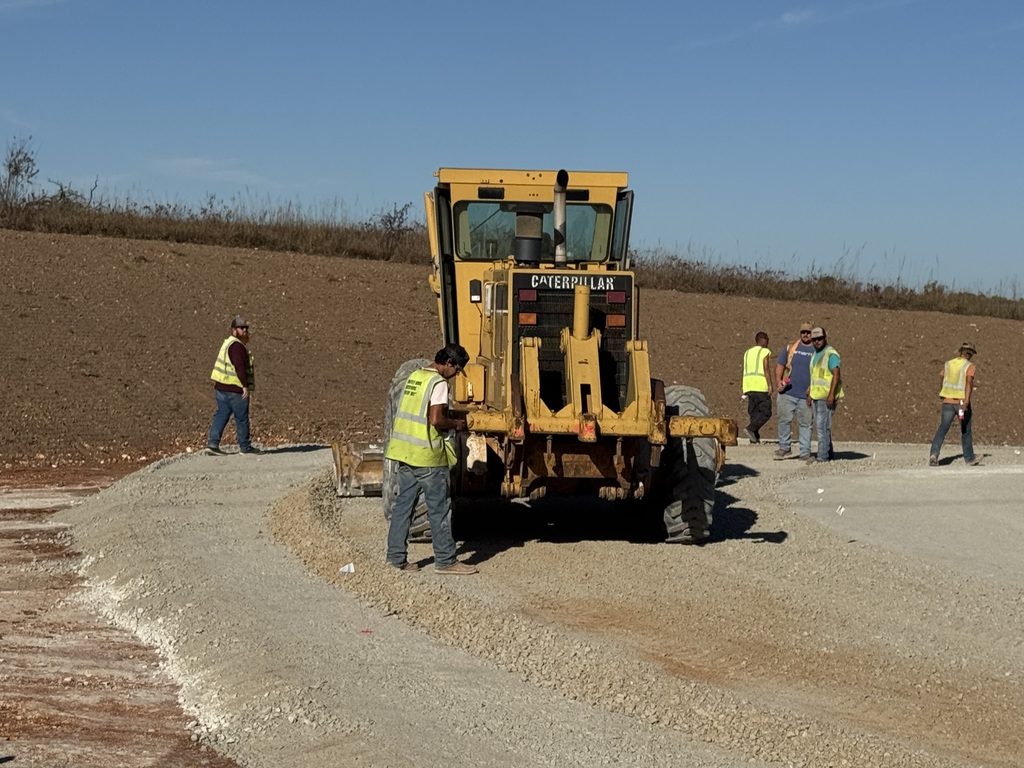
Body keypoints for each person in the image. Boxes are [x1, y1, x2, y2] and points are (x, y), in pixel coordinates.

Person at [385, 343, 478, 575]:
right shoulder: (438, 383)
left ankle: (396, 558)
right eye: (457, 370)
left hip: (406, 454)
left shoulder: (415, 377)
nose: (456, 375)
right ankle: (446, 561)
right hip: (428, 457)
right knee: (439, 509)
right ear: (448, 363)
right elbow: (436, 419)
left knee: (403, 507)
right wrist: (456, 423)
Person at [205, 315, 261, 456]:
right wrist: (244, 386)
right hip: (235, 389)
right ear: (234, 330)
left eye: (246, 328)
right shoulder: (237, 347)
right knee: (241, 418)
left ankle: (212, 444)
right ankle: (245, 447)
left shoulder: (228, 343)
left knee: (221, 415)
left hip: (221, 387)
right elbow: (239, 367)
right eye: (242, 328)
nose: (245, 330)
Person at [929, 342, 980, 466]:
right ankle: (969, 458)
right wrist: (966, 401)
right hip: (961, 403)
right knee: (965, 430)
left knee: (943, 428)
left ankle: (934, 454)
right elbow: (969, 383)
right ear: (970, 354)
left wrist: (942, 392)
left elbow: (942, 378)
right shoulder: (969, 366)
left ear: (960, 351)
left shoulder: (949, 364)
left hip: (947, 401)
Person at [773, 322, 816, 460]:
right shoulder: (791, 348)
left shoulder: (817, 350)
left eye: (808, 332)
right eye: (803, 332)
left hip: (806, 395)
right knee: (783, 420)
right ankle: (784, 447)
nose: (805, 335)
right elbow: (780, 365)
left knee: (805, 424)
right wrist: (778, 381)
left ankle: (805, 452)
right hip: (787, 393)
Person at [807, 327, 843, 464]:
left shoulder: (830, 354)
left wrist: (831, 394)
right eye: (814, 340)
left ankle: (822, 457)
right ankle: (828, 454)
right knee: (823, 427)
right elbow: (815, 377)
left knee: (822, 428)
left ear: (825, 338)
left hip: (826, 397)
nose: (817, 342)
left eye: (819, 339)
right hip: (817, 396)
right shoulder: (815, 354)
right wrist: (810, 393)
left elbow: (836, 374)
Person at [741, 331, 774, 443]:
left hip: (748, 386)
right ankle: (751, 429)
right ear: (762, 340)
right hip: (760, 386)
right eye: (767, 339)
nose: (768, 342)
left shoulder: (747, 352)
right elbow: (766, 369)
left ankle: (754, 438)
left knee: (754, 412)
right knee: (766, 411)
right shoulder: (764, 351)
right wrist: (770, 385)